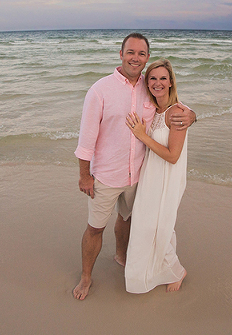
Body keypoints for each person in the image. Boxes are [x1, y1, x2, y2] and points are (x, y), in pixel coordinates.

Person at [73, 33, 195, 300]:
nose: (135, 58)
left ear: (147, 57)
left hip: (140, 174)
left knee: (128, 219)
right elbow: (86, 140)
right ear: (120, 54)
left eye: (141, 53)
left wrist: (192, 115)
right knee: (95, 228)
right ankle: (86, 277)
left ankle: (121, 255)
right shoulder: (100, 90)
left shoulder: (149, 86)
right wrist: (85, 176)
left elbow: (171, 110)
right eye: (130, 52)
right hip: (106, 175)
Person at [124, 59, 188, 293]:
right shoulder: (155, 110)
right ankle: (159, 269)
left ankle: (176, 270)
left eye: (163, 78)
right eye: (152, 78)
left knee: (159, 225)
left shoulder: (178, 112)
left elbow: (173, 156)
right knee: (148, 224)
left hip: (167, 177)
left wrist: (142, 135)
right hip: (151, 174)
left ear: (171, 82)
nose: (157, 83)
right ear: (146, 82)